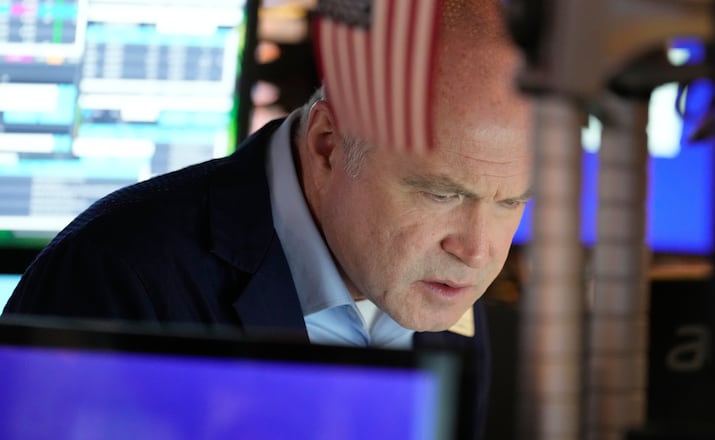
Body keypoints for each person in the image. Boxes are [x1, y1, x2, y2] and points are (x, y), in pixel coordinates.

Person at [3, 0, 532, 438]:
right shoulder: (117, 281)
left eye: (512, 201)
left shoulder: (439, 282)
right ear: (329, 144)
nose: (479, 250)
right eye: (440, 194)